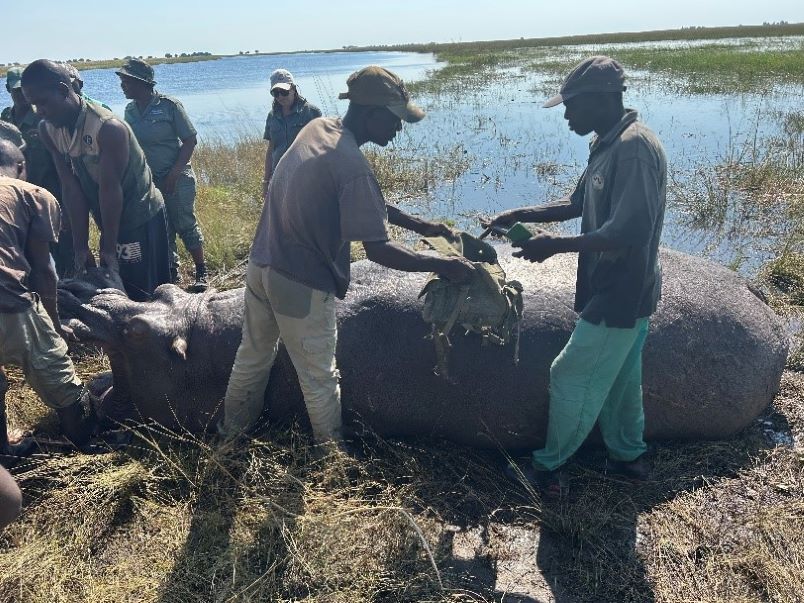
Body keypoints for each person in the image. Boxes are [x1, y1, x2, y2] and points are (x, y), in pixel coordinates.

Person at [222, 66, 475, 450]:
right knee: (320, 377)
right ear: (372, 112)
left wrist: (423, 225)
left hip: (261, 265)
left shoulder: (319, 129)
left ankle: (230, 438)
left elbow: (360, 200)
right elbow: (378, 249)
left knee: (253, 356)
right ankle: (331, 457)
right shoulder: (352, 165)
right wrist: (443, 265)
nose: (398, 129)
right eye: (395, 120)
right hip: (300, 283)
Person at [485, 56, 667, 494]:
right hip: (622, 287)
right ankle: (630, 459)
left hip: (620, 289)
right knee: (623, 382)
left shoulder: (634, 148)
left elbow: (631, 231)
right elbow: (576, 203)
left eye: (572, 105)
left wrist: (554, 247)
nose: (566, 115)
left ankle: (548, 471)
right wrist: (520, 213)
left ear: (603, 100)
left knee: (569, 373)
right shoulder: (608, 142)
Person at [21, 59, 171, 302]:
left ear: (62, 90)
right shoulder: (49, 130)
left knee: (148, 292)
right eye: (34, 105)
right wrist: (81, 247)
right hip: (108, 211)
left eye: (43, 103)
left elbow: (111, 190)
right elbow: (70, 187)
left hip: (139, 214)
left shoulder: (107, 128)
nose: (39, 111)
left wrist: (108, 247)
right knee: (116, 290)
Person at [0, 139, 95, 456]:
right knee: (61, 380)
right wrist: (53, 326)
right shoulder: (32, 194)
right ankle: (86, 446)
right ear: (22, 167)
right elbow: (43, 271)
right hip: (7, 301)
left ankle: (3, 452)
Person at [117, 58, 208, 291]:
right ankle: (172, 272)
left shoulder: (169, 106)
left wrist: (174, 174)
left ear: (142, 82)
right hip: (150, 181)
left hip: (177, 177)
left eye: (126, 81)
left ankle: (201, 271)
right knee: (162, 227)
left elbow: (190, 140)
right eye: (122, 81)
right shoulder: (130, 110)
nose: (122, 85)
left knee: (184, 222)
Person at [2, 68, 71, 276]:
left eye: (23, 90)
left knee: (61, 245)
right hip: (18, 197)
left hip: (48, 191)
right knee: (30, 249)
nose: (20, 95)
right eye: (15, 90)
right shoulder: (5, 118)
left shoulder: (44, 116)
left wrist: (66, 206)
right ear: (7, 90)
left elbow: (60, 162)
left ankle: (68, 281)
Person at [261, 69, 322, 197]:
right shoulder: (272, 116)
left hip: (304, 179)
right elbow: (271, 149)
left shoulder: (311, 112)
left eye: (284, 92)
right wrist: (266, 180)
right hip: (278, 178)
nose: (280, 97)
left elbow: (321, 148)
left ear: (293, 89)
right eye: (275, 93)